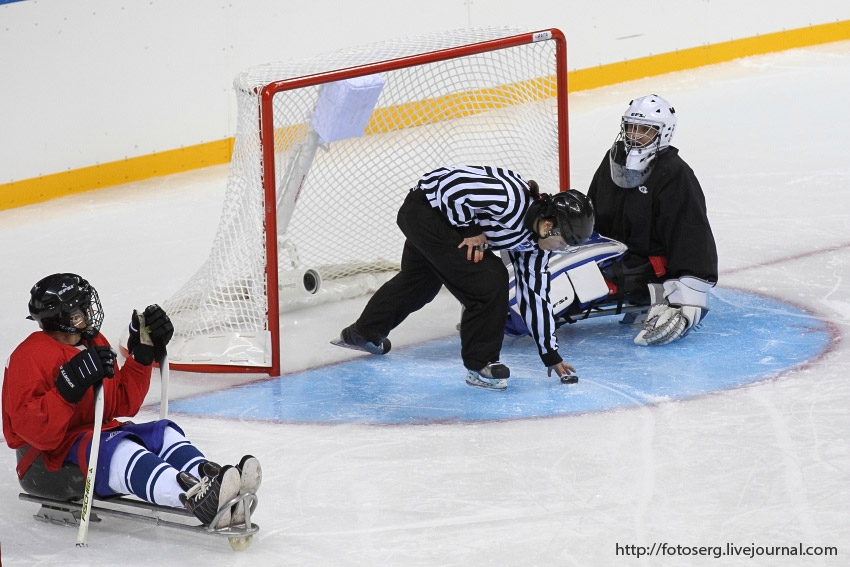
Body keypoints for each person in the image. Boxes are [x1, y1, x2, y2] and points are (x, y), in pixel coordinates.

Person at [2, 273, 262, 529]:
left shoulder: (93, 342)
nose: (91, 312)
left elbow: (120, 403)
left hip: (96, 434)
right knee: (122, 448)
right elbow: (27, 431)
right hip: (45, 462)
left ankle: (209, 478)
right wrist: (66, 391)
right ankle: (194, 497)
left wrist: (142, 354)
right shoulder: (28, 356)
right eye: (83, 309)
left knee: (164, 434)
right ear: (69, 317)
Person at [332, 165, 595, 391]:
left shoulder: (534, 247)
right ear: (549, 226)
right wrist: (471, 229)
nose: (561, 250)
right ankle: (481, 364)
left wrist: (550, 354)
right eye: (563, 243)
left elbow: (535, 296)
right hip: (425, 211)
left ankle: (362, 333)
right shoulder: (510, 197)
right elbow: (452, 185)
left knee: (419, 284)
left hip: (437, 222)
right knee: (489, 281)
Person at [586, 94, 718, 345]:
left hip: (647, 267)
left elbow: (690, 235)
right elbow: (594, 206)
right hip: (611, 255)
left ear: (664, 132)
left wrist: (688, 300)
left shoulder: (675, 173)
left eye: (645, 129)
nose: (635, 135)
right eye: (631, 127)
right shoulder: (615, 158)